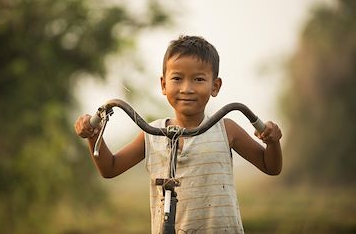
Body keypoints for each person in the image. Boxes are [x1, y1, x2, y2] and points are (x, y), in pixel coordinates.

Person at [75, 35, 282, 234]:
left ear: (215, 86)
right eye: (177, 78)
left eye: (198, 79)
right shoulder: (151, 134)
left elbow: (271, 167)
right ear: (164, 85)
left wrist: (273, 143)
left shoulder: (226, 129)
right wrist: (93, 135)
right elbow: (110, 168)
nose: (187, 88)